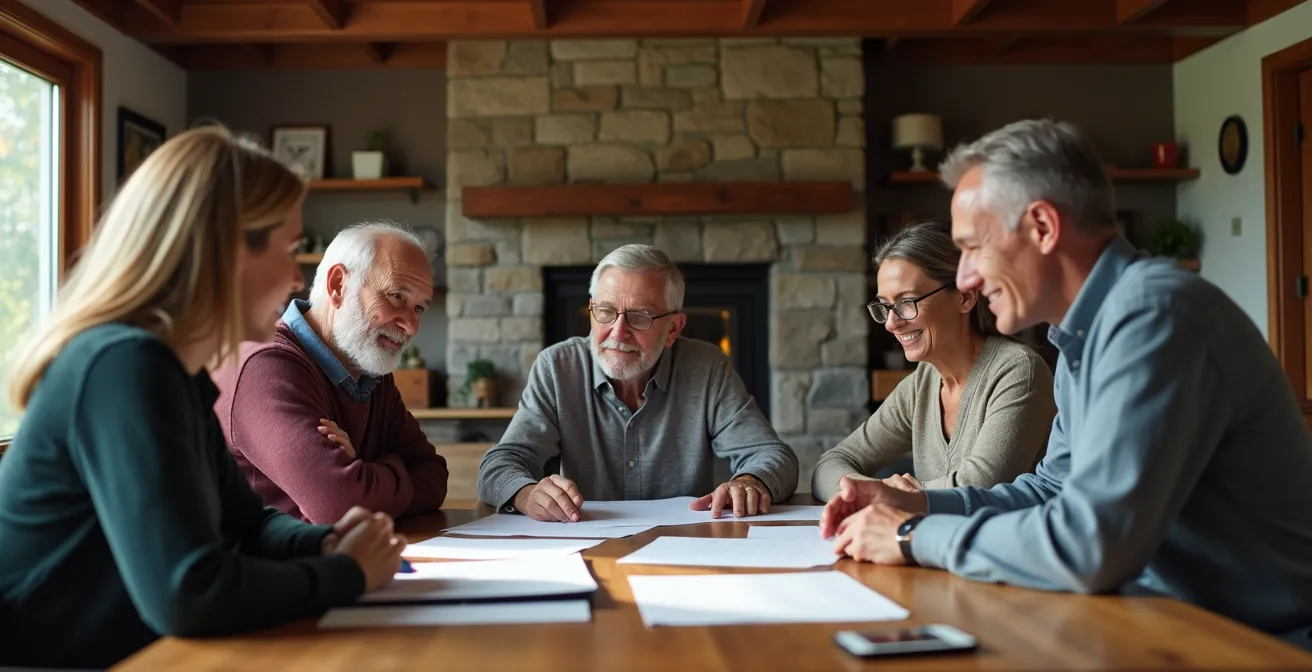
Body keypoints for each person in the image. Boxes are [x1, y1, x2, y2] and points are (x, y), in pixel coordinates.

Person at [819, 119, 1312, 648]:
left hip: (1255, 644)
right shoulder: (1083, 335)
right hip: (1157, 623)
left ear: (1043, 227)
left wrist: (911, 536)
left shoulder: (1153, 316)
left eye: (973, 247)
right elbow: (1050, 490)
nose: (964, 278)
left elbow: (1090, 544)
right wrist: (918, 505)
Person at [0, 126, 406, 669]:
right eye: (289, 249)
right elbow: (187, 592)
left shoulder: (174, 373)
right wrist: (347, 574)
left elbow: (246, 523)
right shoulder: (124, 366)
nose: (293, 277)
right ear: (224, 249)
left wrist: (323, 542)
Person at [477, 244, 799, 521]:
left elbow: (773, 457)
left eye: (640, 316)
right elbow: (498, 466)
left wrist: (749, 482)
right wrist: (526, 493)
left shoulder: (706, 367)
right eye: (605, 311)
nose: (618, 332)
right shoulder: (558, 367)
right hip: (585, 545)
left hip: (685, 547)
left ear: (674, 328)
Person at [210, 221, 448, 524]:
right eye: (397, 296)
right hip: (263, 568)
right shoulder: (265, 366)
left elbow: (435, 475)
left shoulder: (371, 373)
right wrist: (389, 469)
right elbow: (340, 504)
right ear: (338, 285)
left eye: (419, 309)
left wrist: (362, 471)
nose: (411, 327)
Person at [811, 221, 1055, 500]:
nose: (891, 323)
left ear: (965, 297)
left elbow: (979, 487)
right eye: (885, 306)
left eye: (908, 302)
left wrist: (886, 495)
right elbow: (828, 465)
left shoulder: (1019, 371)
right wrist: (876, 491)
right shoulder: (920, 385)